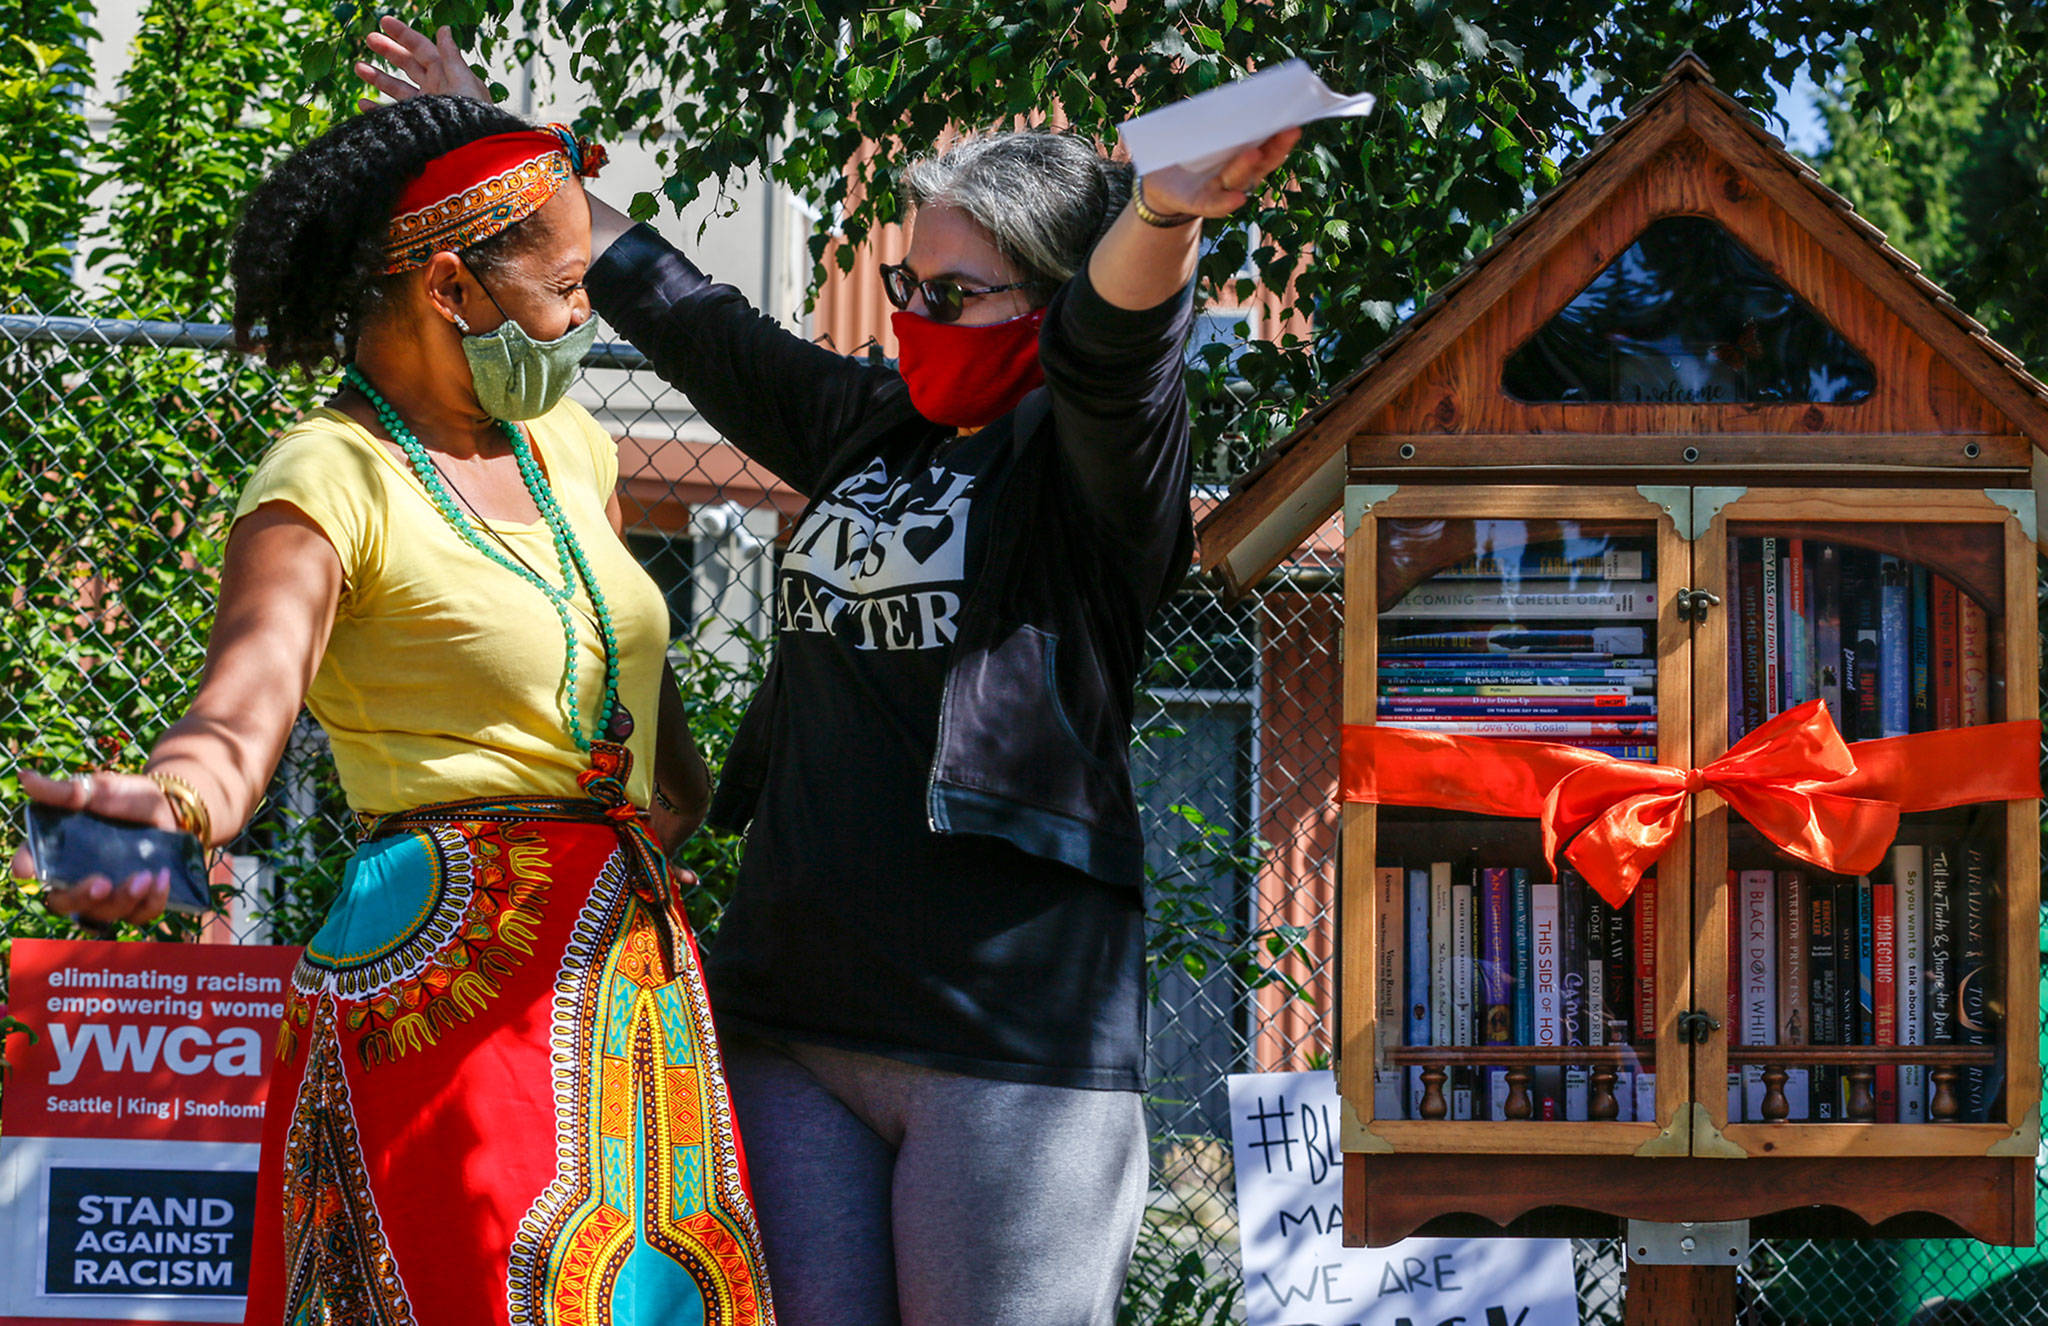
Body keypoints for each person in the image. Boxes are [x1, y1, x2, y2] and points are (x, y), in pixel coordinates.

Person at [362, 21, 1297, 1325]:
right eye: (908, 286)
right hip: (794, 1014)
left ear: (1047, 298)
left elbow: (1117, 355)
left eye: (956, 294)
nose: (917, 318)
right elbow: (686, 312)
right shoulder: (867, 425)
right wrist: (512, 156)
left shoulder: (1089, 479)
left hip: (1004, 1044)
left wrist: (1164, 212)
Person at [10, 94, 773, 1324]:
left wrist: (648, 845)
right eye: (567, 288)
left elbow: (638, 725)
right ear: (452, 288)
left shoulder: (569, 444)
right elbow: (240, 710)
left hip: (625, 983)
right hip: (449, 982)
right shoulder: (328, 473)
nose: (585, 317)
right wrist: (164, 809)